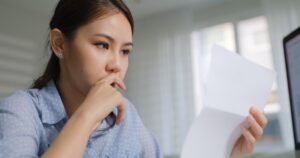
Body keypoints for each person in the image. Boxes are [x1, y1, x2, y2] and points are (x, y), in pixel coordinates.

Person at [0, 0, 267, 157]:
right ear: (59, 44)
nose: (117, 64)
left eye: (125, 51)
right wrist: (87, 115)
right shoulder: (21, 110)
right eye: (102, 45)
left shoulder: (129, 121)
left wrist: (227, 154)